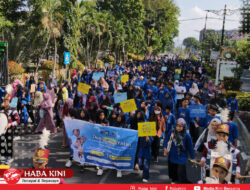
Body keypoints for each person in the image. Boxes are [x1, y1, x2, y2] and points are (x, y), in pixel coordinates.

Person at [164, 118, 195, 183]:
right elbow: (167, 140)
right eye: (177, 126)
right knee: (173, 170)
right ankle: (174, 180)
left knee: (181, 172)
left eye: (180, 126)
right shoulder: (172, 132)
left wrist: (193, 158)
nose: (178, 128)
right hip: (172, 155)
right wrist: (165, 148)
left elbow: (190, 147)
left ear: (183, 127)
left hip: (182, 156)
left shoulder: (187, 135)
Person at [0, 95, 20, 164]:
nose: (5, 102)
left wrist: (10, 124)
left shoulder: (13, 110)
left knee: (9, 144)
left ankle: (10, 157)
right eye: (4, 101)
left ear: (9, 102)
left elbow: (17, 120)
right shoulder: (1, 109)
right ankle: (4, 156)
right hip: (2, 130)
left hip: (9, 129)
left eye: (6, 101)